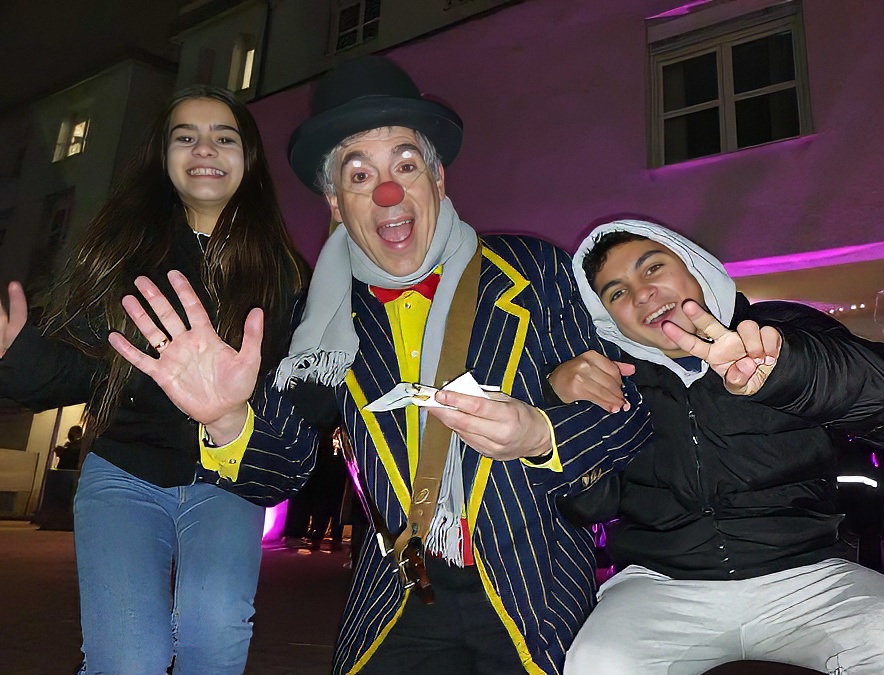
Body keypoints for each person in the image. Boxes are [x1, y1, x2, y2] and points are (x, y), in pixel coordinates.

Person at [108, 56, 654, 674]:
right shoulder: (316, 319)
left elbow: (629, 421)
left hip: (536, 589)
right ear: (336, 202)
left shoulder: (536, 272)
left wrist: (542, 434)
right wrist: (230, 420)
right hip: (399, 596)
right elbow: (284, 469)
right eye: (359, 174)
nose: (388, 192)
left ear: (438, 180)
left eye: (405, 165)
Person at [0, 85, 317, 674]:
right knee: (128, 662)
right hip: (125, 472)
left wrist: (239, 418)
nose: (205, 148)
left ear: (248, 159)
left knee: (215, 633)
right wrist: (14, 354)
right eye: (185, 136)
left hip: (227, 481)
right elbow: (81, 369)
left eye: (224, 137)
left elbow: (297, 399)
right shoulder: (122, 251)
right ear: (162, 157)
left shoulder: (286, 272)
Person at [550, 219, 884, 674]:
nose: (641, 294)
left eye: (652, 268)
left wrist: (790, 373)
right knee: (598, 664)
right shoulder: (612, 379)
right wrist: (557, 412)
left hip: (809, 575)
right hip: (662, 585)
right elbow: (589, 506)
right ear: (607, 319)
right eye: (616, 293)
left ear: (694, 267)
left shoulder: (782, 330)